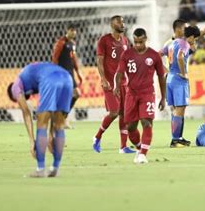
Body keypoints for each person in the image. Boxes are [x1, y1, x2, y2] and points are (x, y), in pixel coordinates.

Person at [162, 8, 205, 148]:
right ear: (179, 30)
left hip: (170, 78)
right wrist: (183, 73)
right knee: (180, 109)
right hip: (179, 79)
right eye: (185, 28)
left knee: (176, 110)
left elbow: (201, 33)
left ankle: (178, 138)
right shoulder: (184, 43)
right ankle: (175, 139)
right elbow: (180, 57)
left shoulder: (171, 43)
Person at [7, 62, 73, 177]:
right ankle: (55, 168)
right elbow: (54, 108)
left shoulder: (15, 87)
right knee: (60, 125)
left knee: (41, 123)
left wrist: (32, 140)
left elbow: (26, 113)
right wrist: (51, 134)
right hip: (67, 78)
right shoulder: (32, 75)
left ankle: (40, 169)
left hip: (50, 79)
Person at [113, 28, 165, 164]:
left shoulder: (154, 55)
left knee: (146, 122)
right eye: (135, 42)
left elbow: (161, 76)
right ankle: (139, 148)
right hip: (131, 94)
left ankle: (143, 154)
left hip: (147, 93)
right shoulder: (127, 54)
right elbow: (119, 73)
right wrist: (116, 86)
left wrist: (163, 97)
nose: (138, 45)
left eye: (140, 42)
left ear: (145, 39)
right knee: (130, 127)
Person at [92, 16, 135, 154]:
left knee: (124, 114)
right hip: (110, 83)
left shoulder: (125, 41)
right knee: (114, 112)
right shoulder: (104, 40)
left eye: (123, 21)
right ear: (112, 24)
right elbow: (99, 61)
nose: (122, 23)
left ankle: (123, 146)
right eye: (119, 21)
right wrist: (103, 79)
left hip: (123, 83)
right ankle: (97, 137)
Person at [51, 24, 83, 127]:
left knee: (76, 94)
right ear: (68, 31)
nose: (74, 33)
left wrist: (78, 73)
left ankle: (63, 118)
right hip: (62, 73)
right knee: (65, 96)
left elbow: (73, 59)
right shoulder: (61, 43)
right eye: (72, 30)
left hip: (70, 73)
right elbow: (55, 58)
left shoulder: (72, 44)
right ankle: (58, 120)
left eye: (75, 31)